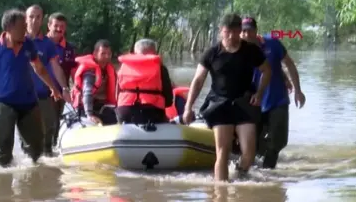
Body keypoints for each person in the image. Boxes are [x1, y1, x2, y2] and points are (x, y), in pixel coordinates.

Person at [182, 13, 272, 182]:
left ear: (240, 31)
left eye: (236, 32)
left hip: (244, 103)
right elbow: (198, 80)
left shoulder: (251, 50)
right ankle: (221, 194)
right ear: (220, 31)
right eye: (227, 32)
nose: (231, 36)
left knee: (249, 154)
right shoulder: (212, 53)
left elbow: (267, 70)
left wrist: (259, 93)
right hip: (219, 104)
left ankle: (238, 173)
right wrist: (188, 107)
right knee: (222, 152)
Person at [0, 9, 61, 168]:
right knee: (2, 151)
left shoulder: (28, 44)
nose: (26, 29)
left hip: (28, 101)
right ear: (9, 28)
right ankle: (4, 183)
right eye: (22, 26)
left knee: (36, 151)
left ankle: (32, 182)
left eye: (25, 25)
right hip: (4, 101)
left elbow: (39, 68)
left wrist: (53, 88)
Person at [240, 17, 306, 169]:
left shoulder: (272, 43)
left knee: (278, 140)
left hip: (277, 99)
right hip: (252, 102)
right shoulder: (237, 49)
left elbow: (288, 63)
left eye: (249, 30)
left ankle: (268, 173)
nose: (246, 34)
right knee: (254, 144)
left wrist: (297, 90)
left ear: (256, 31)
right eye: (243, 31)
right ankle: (255, 173)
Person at [25, 5, 71, 157]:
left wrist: (64, 88)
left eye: (38, 17)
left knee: (50, 127)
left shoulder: (47, 44)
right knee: (28, 133)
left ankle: (47, 162)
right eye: (31, 16)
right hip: (23, 95)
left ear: (42, 20)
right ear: (26, 19)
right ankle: (30, 159)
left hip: (44, 93)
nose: (34, 20)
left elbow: (56, 67)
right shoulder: (17, 39)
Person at [116, 39, 174, 124]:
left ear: (135, 53)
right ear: (154, 53)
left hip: (124, 113)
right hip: (152, 114)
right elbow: (168, 101)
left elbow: (117, 96)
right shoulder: (161, 69)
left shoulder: (123, 67)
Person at [46, 12, 77, 146]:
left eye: (62, 26)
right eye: (56, 25)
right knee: (45, 122)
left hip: (61, 92)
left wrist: (77, 89)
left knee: (56, 122)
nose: (59, 29)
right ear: (49, 26)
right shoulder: (39, 43)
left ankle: (51, 151)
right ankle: (43, 152)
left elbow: (74, 71)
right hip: (41, 91)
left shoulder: (69, 48)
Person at [70, 40, 117, 125]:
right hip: (85, 107)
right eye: (103, 53)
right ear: (95, 54)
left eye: (109, 54)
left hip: (101, 105)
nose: (107, 56)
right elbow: (87, 92)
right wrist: (89, 114)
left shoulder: (109, 69)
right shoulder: (90, 71)